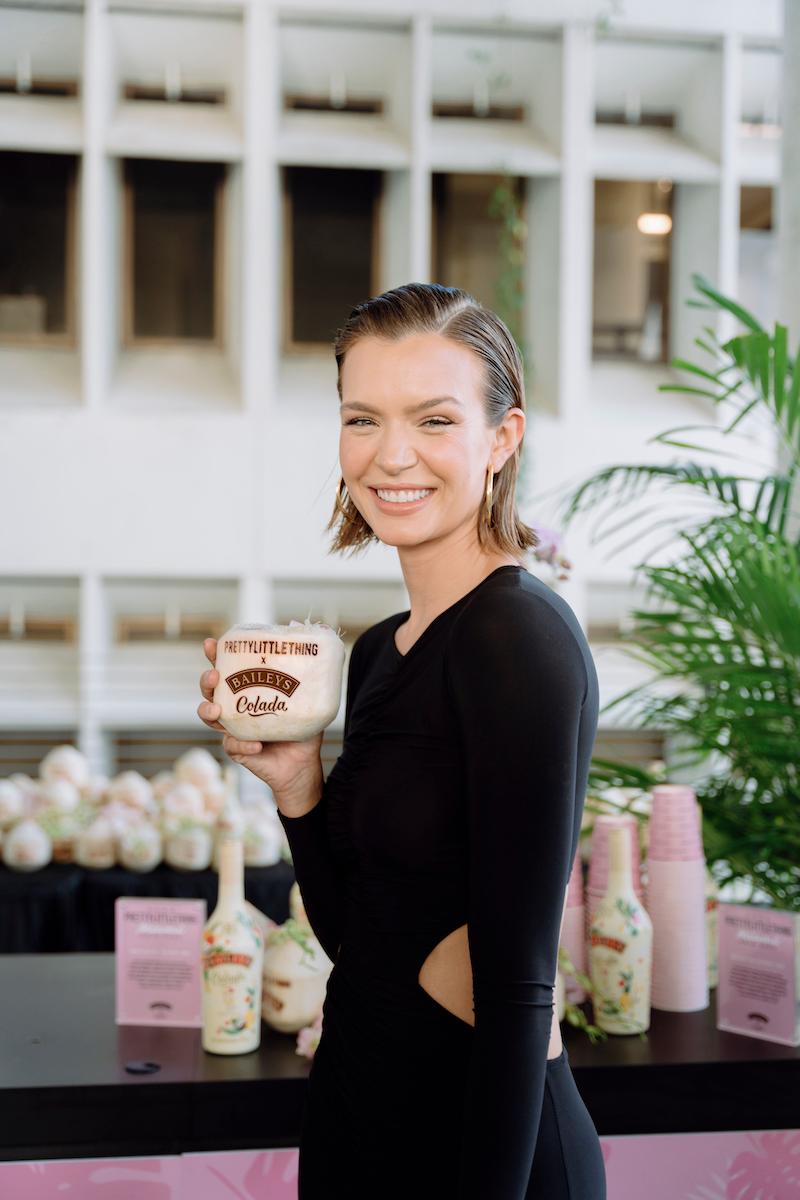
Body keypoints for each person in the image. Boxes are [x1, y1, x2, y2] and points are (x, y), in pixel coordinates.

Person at [197, 283, 607, 1199]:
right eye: (361, 418)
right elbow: (364, 935)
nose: (391, 456)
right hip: (362, 1108)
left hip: (476, 1140)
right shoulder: (381, 649)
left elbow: (518, 989)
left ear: (502, 439)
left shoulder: (519, 640)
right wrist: (296, 784)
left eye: (432, 419)